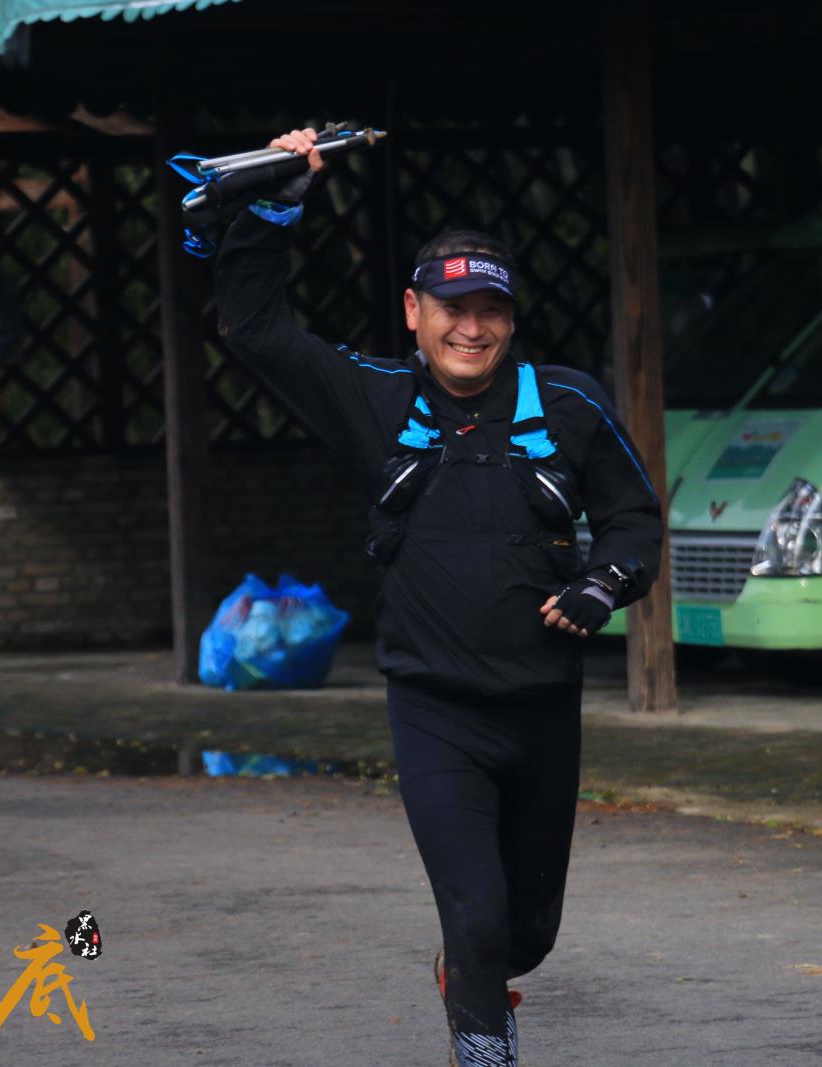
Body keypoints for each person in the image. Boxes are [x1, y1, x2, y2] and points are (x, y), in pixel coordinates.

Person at [214, 127, 664, 1067]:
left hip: (543, 710)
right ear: (414, 312)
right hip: (434, 709)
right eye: (452, 308)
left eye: (490, 309)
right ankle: (484, 1046)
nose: (472, 328)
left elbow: (635, 522)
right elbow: (254, 331)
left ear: (512, 318)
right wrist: (273, 207)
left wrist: (602, 584)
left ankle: (472, 969)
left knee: (527, 933)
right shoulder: (376, 399)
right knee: (477, 911)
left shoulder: (569, 404)